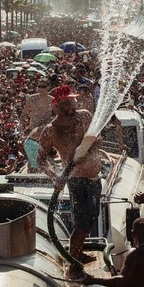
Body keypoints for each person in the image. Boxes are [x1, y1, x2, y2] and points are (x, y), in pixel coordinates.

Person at [37, 85, 103, 263]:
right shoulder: (50, 131)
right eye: (67, 103)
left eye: (73, 101)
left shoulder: (84, 116)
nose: (73, 106)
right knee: (81, 221)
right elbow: (41, 159)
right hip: (75, 178)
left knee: (90, 218)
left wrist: (86, 152)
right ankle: (74, 258)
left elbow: (97, 139)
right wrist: (55, 177)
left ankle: (77, 253)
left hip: (95, 177)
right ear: (57, 106)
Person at [20, 79, 54, 170]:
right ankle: (30, 179)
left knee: (43, 158)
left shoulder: (52, 100)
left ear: (48, 87)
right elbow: (23, 115)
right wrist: (23, 127)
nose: (40, 89)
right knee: (31, 160)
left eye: (43, 86)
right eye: (39, 86)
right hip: (32, 130)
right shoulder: (32, 98)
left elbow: (56, 116)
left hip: (45, 132)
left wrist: (48, 120)